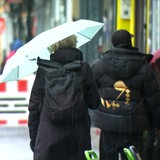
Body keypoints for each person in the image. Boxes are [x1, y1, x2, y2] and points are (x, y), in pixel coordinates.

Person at [28, 35, 101, 160]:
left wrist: (35, 139)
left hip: (48, 139)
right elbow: (94, 103)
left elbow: (34, 108)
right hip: (78, 139)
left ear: (54, 45)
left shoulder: (44, 70)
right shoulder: (84, 69)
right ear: (74, 43)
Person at [91, 29, 160, 160]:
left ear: (113, 44)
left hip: (109, 127)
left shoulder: (100, 64)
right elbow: (153, 100)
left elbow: (90, 89)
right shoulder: (143, 66)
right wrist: (157, 124)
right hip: (133, 127)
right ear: (130, 42)